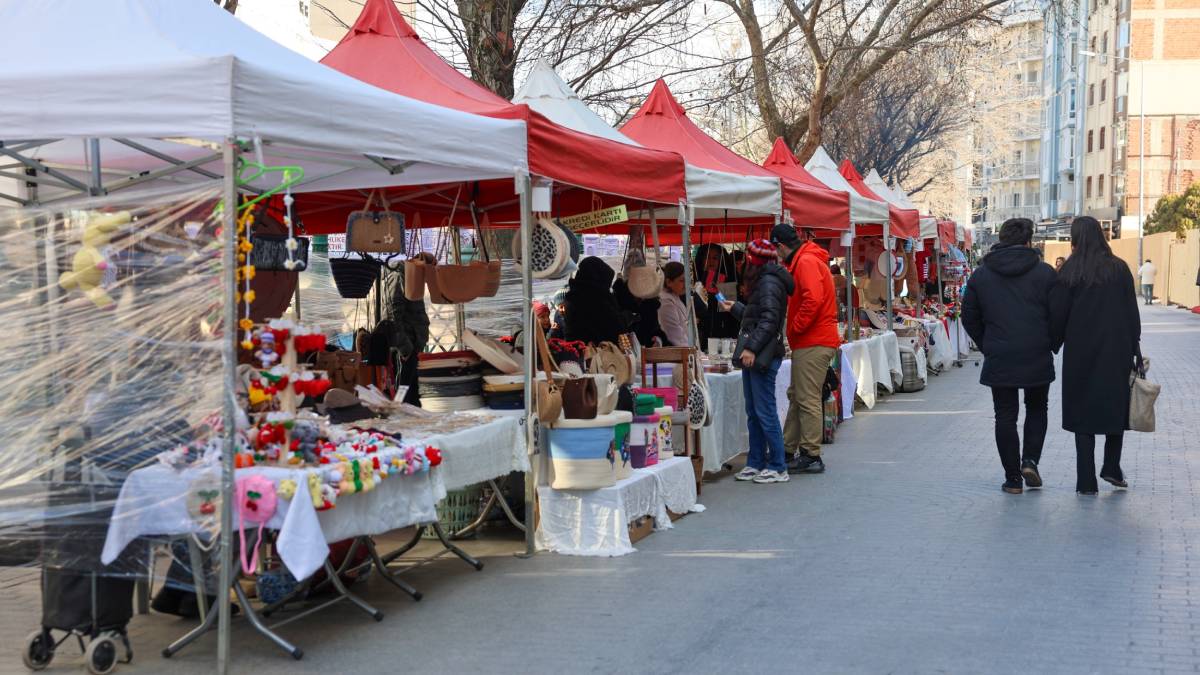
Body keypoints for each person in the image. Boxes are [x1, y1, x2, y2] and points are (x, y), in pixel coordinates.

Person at [960, 218, 1057, 494]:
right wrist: (1050, 341)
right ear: (1029, 241)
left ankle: (1013, 478)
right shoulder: (1045, 274)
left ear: (1001, 240)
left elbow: (969, 316)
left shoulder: (981, 275)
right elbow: (1059, 313)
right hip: (1036, 352)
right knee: (1037, 408)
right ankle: (1030, 461)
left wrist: (987, 343)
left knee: (1004, 415)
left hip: (1000, 353)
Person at [1050, 216, 1141, 494]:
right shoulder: (1119, 268)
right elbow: (1131, 313)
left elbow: (1058, 315)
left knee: (1082, 412)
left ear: (1075, 238)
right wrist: (1133, 344)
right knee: (1115, 407)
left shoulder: (1068, 272)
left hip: (1081, 353)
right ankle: (1111, 466)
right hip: (1116, 350)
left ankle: (1086, 480)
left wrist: (1055, 342)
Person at [722, 240, 794, 484]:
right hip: (759, 354)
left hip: (762, 355)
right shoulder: (766, 281)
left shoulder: (768, 283)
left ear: (755, 262)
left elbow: (769, 321)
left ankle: (777, 465)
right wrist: (737, 308)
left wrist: (751, 347)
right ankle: (756, 461)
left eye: (747, 259)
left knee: (764, 411)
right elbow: (760, 317)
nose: (743, 264)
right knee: (754, 411)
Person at [773, 224, 840, 474]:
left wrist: (795, 329)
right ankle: (789, 449)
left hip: (813, 339)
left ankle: (811, 454)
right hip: (813, 339)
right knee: (798, 395)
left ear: (780, 246)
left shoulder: (805, 262)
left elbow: (813, 299)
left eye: (775, 249)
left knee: (807, 398)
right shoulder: (807, 260)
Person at [563, 256, 629, 345]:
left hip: (578, 352)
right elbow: (617, 328)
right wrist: (627, 316)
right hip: (597, 355)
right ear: (598, 278)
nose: (607, 287)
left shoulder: (574, 296)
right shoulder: (595, 300)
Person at [658, 261, 693, 347]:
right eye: (681, 280)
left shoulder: (675, 297)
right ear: (669, 282)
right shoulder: (666, 302)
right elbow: (674, 335)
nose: (685, 285)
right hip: (677, 353)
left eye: (687, 280)